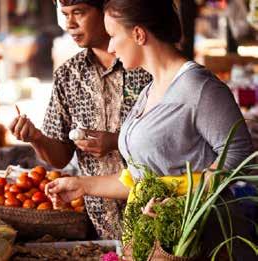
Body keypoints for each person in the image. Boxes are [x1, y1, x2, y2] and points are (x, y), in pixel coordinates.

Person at [45, 0, 254, 253]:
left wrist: (181, 204)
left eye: (113, 35)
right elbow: (144, 179)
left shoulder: (198, 87)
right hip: (164, 243)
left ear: (138, 34)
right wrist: (83, 185)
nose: (110, 46)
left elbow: (239, 154)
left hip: (203, 242)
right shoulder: (150, 90)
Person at [9, 0, 152, 239]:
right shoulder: (68, 75)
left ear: (105, 12)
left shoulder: (144, 65)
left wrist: (118, 141)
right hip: (97, 224)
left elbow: (172, 143)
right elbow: (60, 158)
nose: (70, 24)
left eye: (79, 13)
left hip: (152, 213)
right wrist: (36, 137)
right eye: (64, 15)